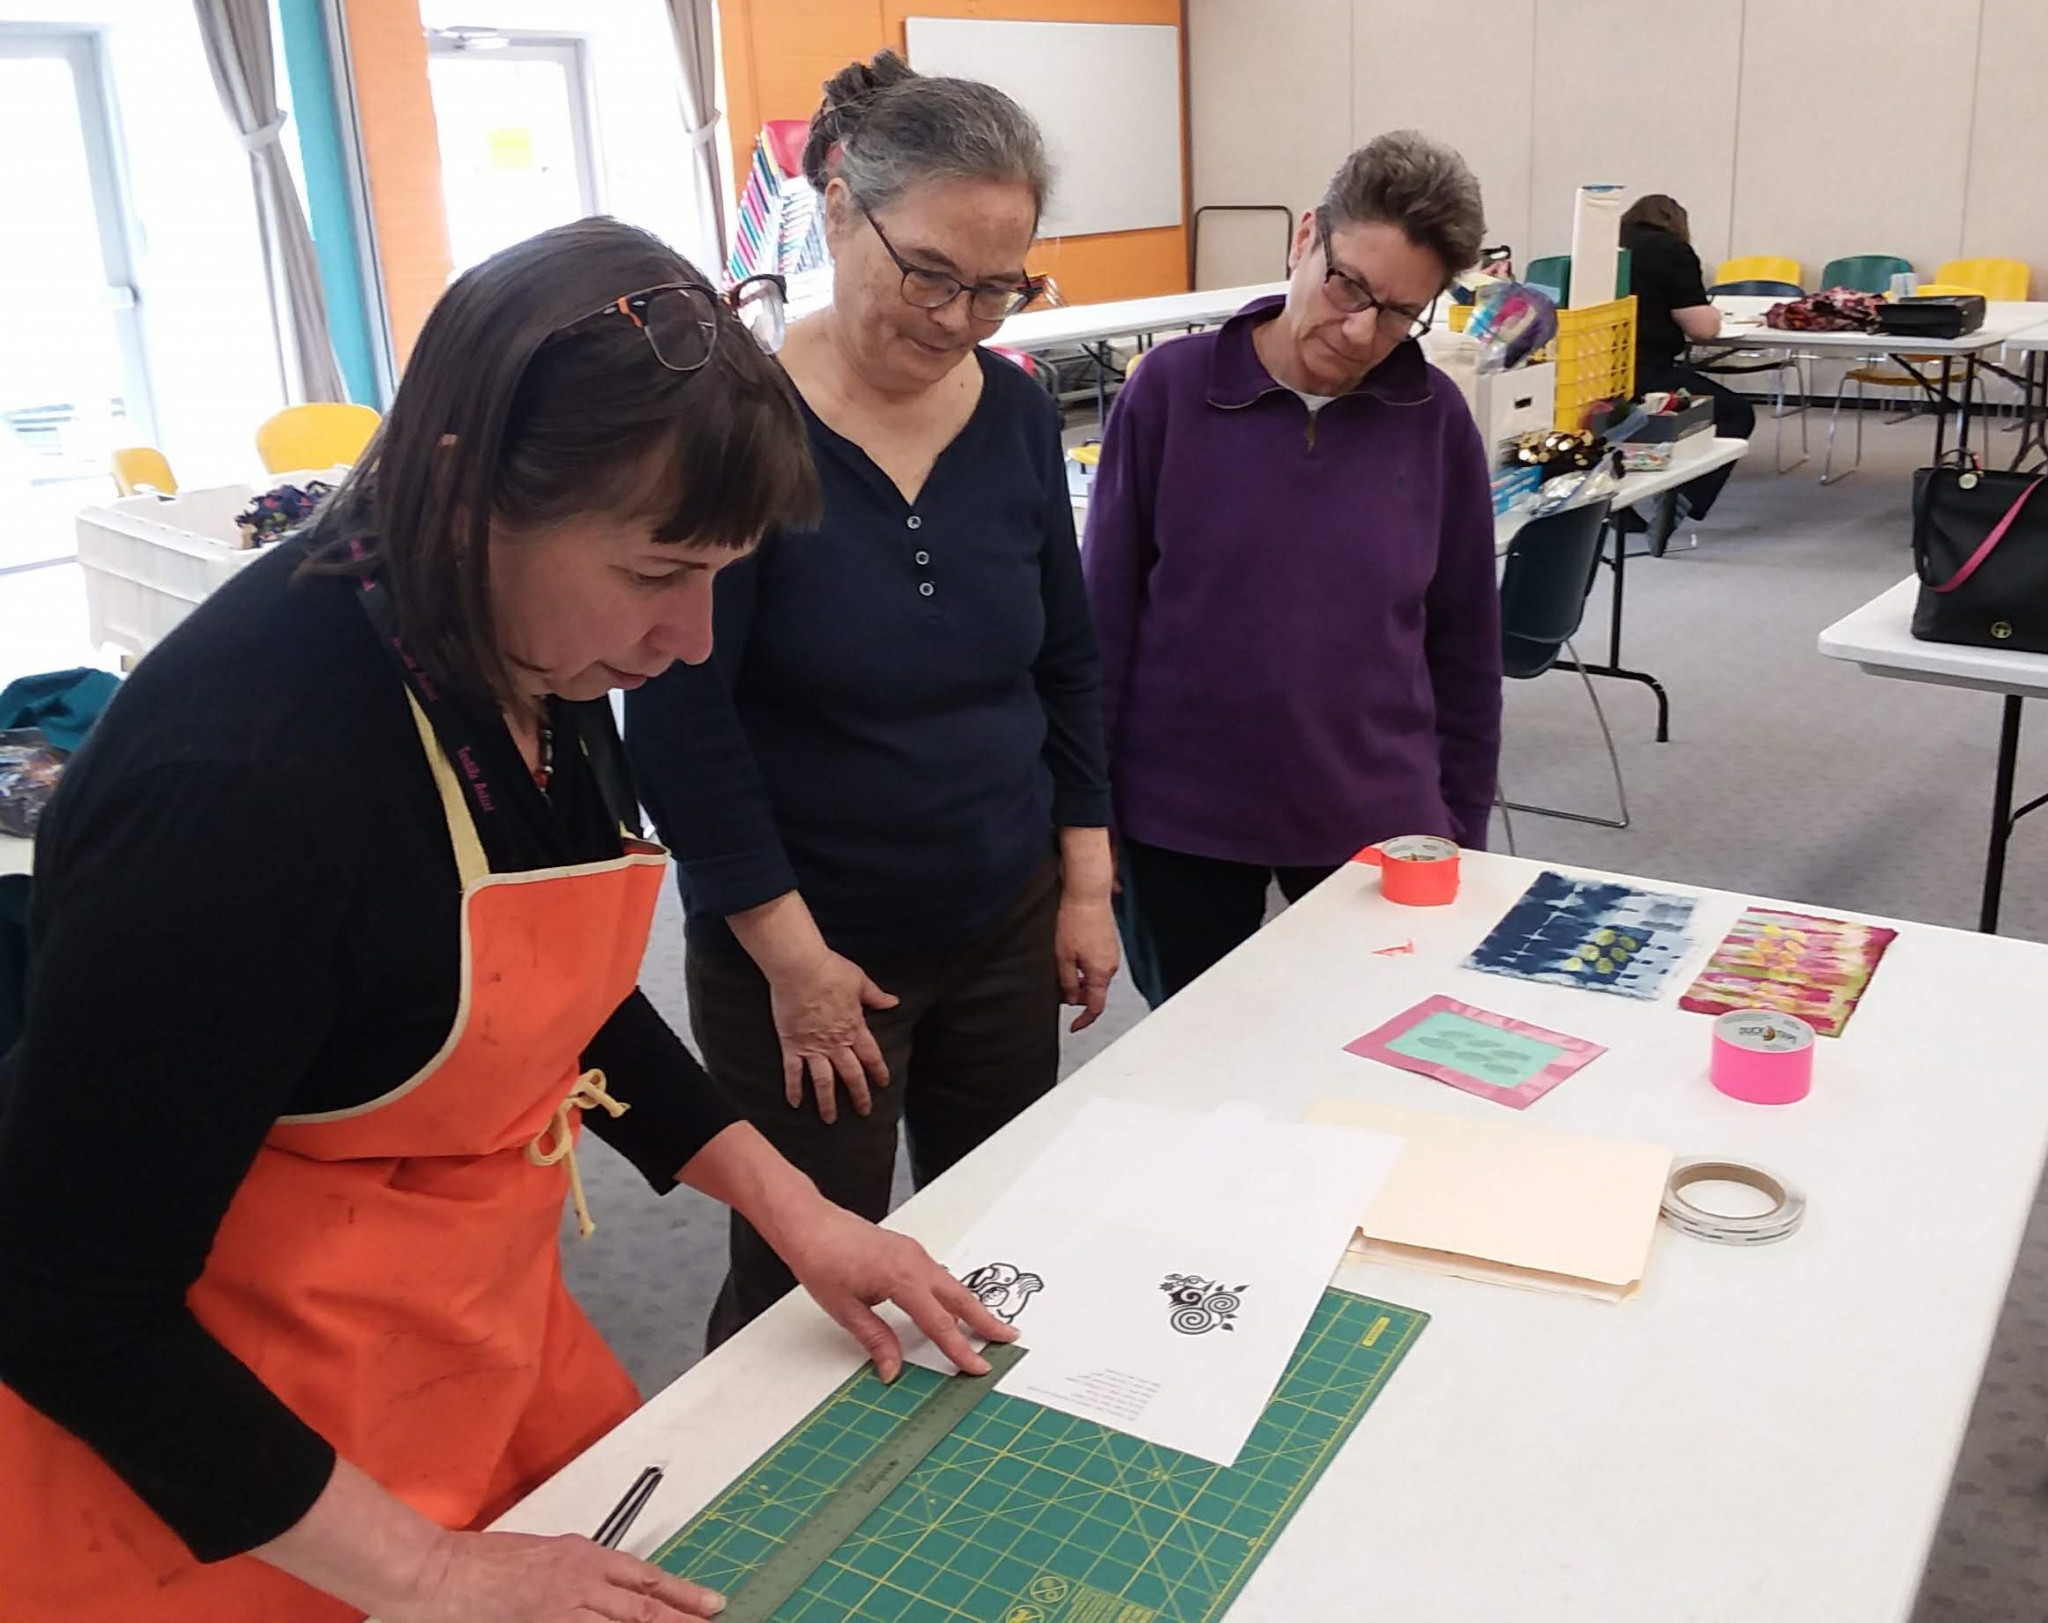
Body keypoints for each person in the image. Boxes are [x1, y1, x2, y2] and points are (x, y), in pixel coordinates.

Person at [0, 218, 1013, 1623]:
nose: (690, 641)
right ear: (463, 490)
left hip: (452, 1340)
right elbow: (66, 1301)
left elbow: (547, 998)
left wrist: (799, 1210)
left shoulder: (522, 650)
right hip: (221, 1470)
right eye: (657, 573)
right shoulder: (240, 786)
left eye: (717, 576)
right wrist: (425, 1569)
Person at [625, 52, 1116, 1348]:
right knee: (805, 1299)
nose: (959, 319)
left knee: (999, 1237)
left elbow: (1065, 658)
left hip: (1002, 915)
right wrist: (796, 966)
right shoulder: (733, 428)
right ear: (841, 209)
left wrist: (1083, 880)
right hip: (810, 948)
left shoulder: (1014, 416)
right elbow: (680, 731)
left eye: (998, 288)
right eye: (930, 274)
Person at [1084, 131, 1501, 1008]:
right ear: (1306, 236)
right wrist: (1093, 816)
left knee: (1374, 1051)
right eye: (1348, 285)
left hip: (1379, 820)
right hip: (1181, 821)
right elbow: (1103, 625)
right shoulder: (1169, 392)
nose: (1360, 331)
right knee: (1199, 1053)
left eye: (1400, 313)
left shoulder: (1434, 421)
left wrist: (1460, 827)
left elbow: (1466, 649)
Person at [1617, 193, 1756, 546]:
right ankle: (1681, 497)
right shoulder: (1670, 250)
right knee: (1735, 413)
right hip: (1647, 372)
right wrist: (1713, 313)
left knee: (1618, 420)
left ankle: (1615, 507)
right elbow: (1702, 329)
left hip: (1595, 372)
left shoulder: (1603, 248)